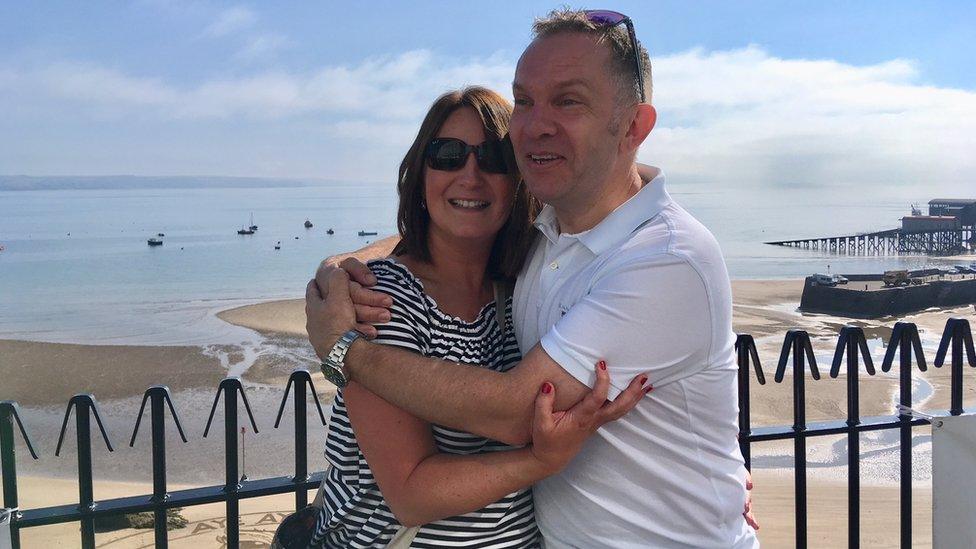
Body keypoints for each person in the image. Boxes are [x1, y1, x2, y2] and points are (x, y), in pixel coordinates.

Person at [308, 9, 759, 548]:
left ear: (635, 126)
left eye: (568, 100)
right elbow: (453, 225)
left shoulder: (665, 258)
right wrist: (341, 265)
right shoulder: (540, 242)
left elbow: (515, 410)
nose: (535, 124)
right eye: (524, 100)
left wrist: (343, 352)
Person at [308, 86, 648, 548]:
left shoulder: (523, 285)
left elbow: (605, 184)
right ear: (420, 175)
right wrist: (540, 461)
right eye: (447, 155)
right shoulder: (380, 297)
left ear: (519, 179)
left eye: (494, 158)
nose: (471, 175)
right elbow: (412, 494)